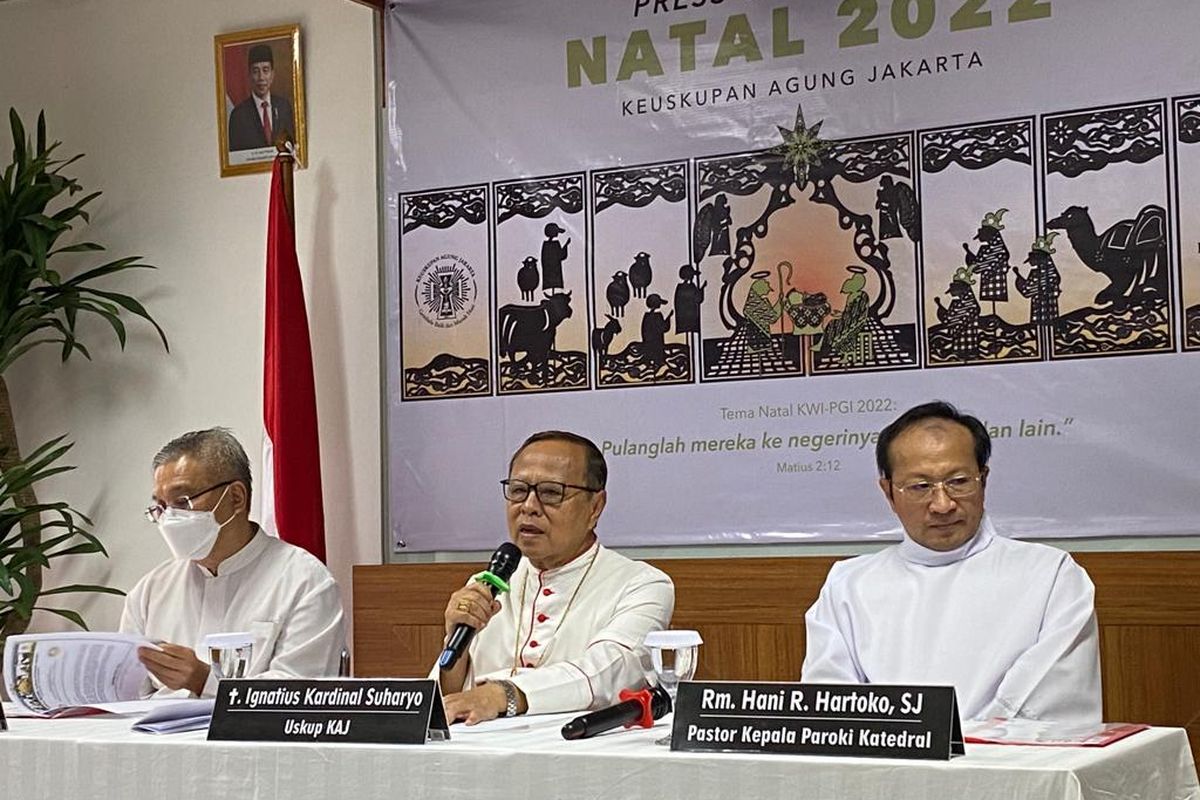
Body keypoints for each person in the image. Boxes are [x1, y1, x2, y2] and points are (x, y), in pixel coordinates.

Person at [802, 401, 1102, 724]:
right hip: (884, 771)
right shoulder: (848, 585)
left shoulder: (1052, 575)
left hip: (1007, 769)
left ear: (983, 480)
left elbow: (1050, 703)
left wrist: (956, 753)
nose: (942, 505)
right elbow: (830, 712)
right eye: (920, 487)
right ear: (888, 492)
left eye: (958, 481)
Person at [438, 431, 674, 724]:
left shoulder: (642, 584)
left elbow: (610, 671)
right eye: (518, 490)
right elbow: (446, 700)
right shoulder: (488, 583)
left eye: (551, 492)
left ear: (595, 507)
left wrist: (503, 696)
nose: (529, 506)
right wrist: (454, 645)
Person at [121, 428, 345, 697]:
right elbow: (126, 694)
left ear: (236, 498)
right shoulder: (150, 591)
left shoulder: (305, 582)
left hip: (256, 738)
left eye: (182, 501)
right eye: (161, 507)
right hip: (155, 738)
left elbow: (301, 694)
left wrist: (206, 681)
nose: (169, 519)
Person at [227, 43, 296, 151]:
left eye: (265, 70)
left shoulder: (284, 107)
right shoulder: (238, 115)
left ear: (272, 75)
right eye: (255, 71)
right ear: (249, 76)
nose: (261, 77)